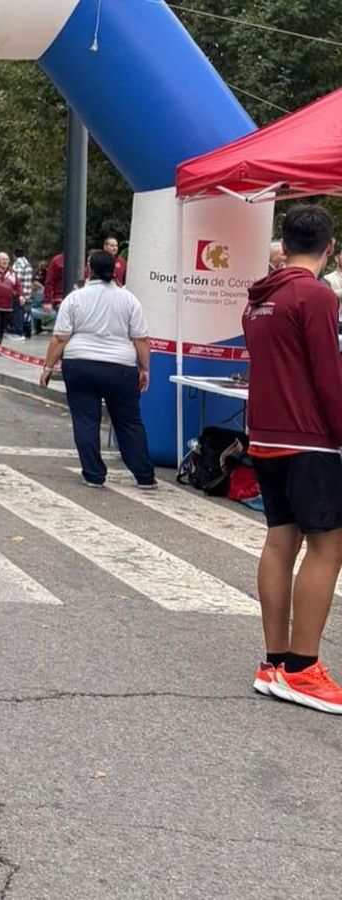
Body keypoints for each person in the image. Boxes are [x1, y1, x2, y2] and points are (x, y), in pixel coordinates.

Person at [241, 205, 342, 714]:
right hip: (310, 440)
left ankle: (275, 662)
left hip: (265, 434)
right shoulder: (316, 295)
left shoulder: (260, 300)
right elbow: (328, 374)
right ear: (328, 248)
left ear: (283, 242)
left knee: (280, 539)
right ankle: (304, 668)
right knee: (328, 546)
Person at [38, 251, 155, 489]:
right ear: (115, 269)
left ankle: (93, 474)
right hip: (120, 368)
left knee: (85, 420)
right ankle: (144, 475)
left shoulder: (75, 298)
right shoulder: (129, 299)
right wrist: (144, 369)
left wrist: (48, 367)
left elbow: (60, 338)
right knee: (129, 422)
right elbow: (141, 340)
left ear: (89, 269)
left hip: (80, 365)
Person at [12, 248, 35, 339]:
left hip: (19, 292)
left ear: (14, 255)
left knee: (17, 312)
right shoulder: (27, 263)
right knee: (24, 312)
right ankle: (25, 330)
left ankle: (18, 332)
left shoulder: (18, 263)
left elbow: (17, 278)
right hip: (27, 292)